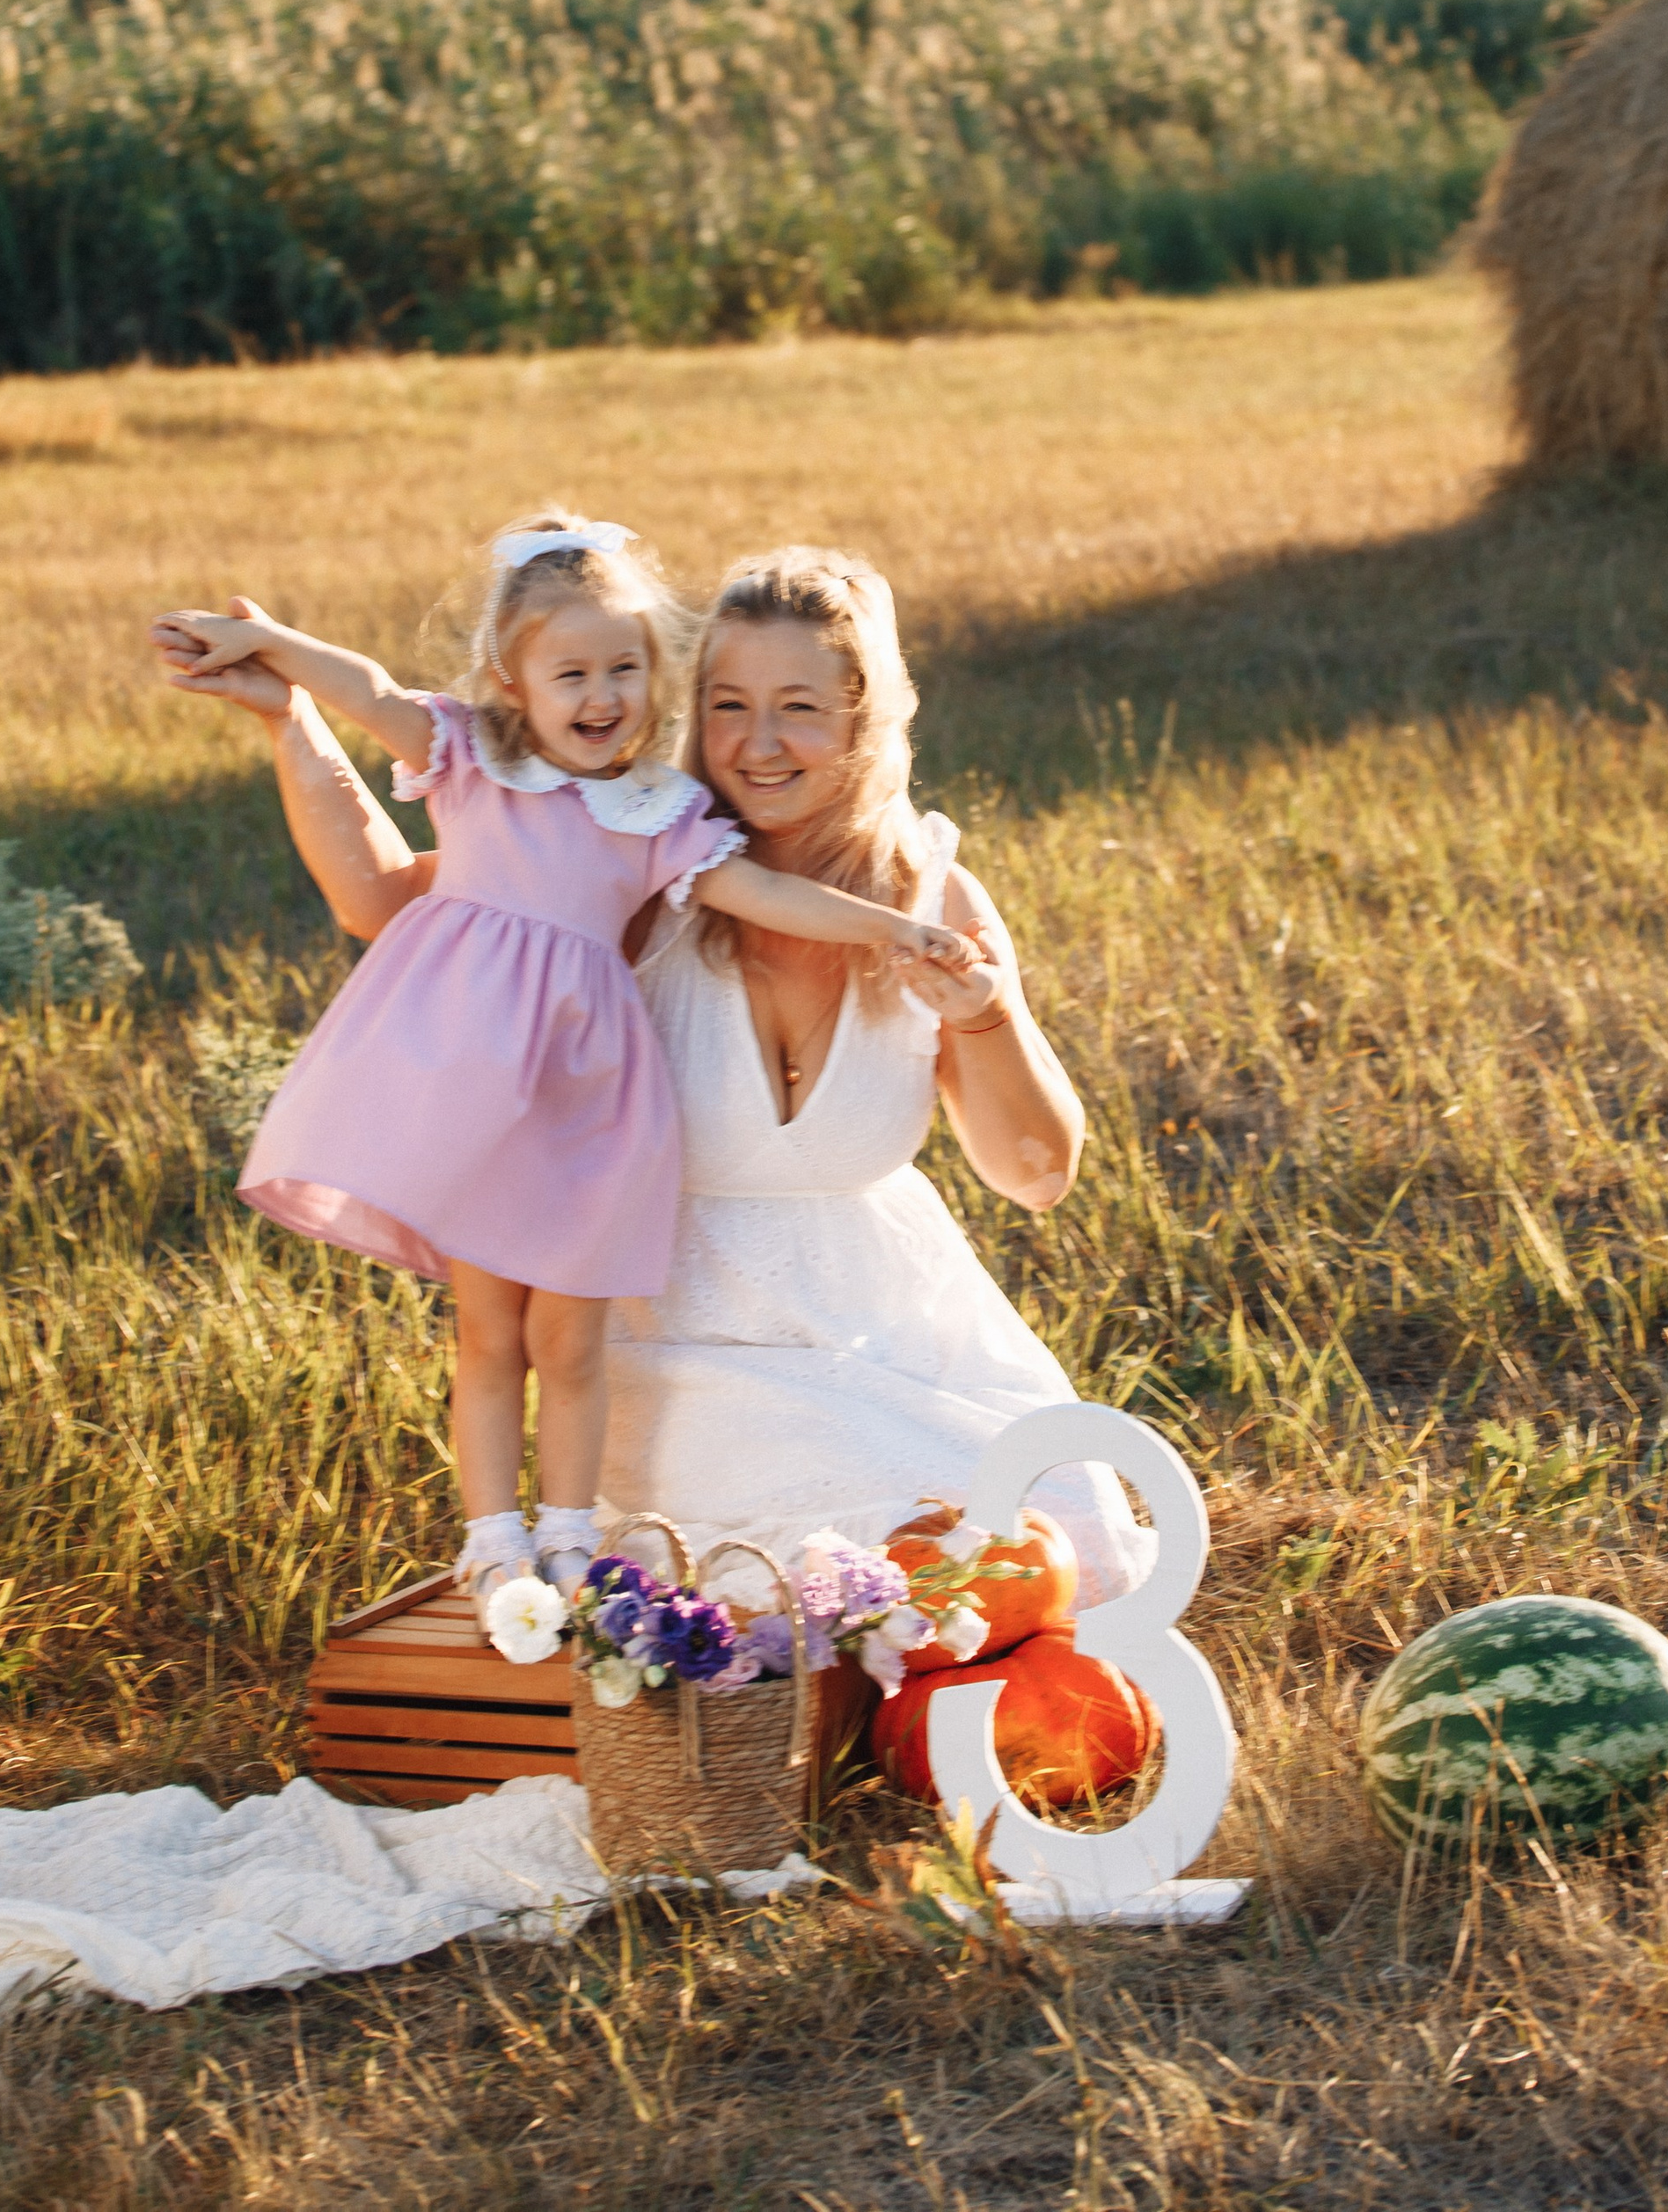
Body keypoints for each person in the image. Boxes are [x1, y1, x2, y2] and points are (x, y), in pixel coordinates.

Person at [193, 544, 1145, 1609]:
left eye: (800, 707)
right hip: (680, 1343)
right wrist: (291, 722)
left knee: (1057, 1538)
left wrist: (989, 1012)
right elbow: (379, 898)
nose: (759, 744)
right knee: (839, 1567)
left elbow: (1037, 1173)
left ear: (866, 720)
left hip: (888, 1327)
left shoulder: (935, 901)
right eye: (728, 704)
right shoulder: (637, 861)